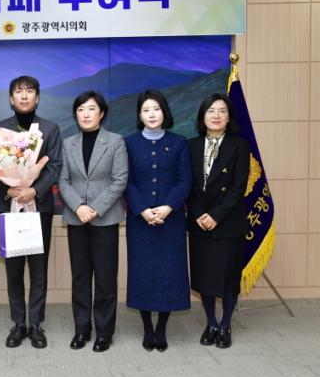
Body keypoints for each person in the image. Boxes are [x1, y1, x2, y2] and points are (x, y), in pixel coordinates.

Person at [0, 75, 62, 349]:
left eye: (29, 91)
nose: (24, 96)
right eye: (18, 91)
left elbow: (54, 166)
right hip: (10, 207)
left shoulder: (50, 128)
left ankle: (35, 324)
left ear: (37, 97)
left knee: (38, 269)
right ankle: (18, 323)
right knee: (13, 269)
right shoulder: (0, 129)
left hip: (39, 207)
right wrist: (9, 190)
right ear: (11, 99)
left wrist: (35, 190)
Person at [58, 91, 128, 352]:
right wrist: (78, 206)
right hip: (76, 219)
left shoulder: (115, 141)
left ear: (102, 113)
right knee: (80, 277)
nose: (86, 114)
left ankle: (104, 332)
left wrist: (95, 209)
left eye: (91, 109)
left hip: (105, 219)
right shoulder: (68, 143)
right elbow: (63, 180)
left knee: (106, 278)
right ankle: (82, 329)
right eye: (80, 110)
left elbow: (119, 180)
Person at [124, 89, 191, 352]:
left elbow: (184, 180)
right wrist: (142, 209)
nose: (151, 114)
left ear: (164, 112)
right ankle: (147, 327)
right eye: (146, 110)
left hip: (171, 221)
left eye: (156, 109)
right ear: (139, 115)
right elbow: (127, 181)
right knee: (142, 273)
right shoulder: (129, 143)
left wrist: (168, 207)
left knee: (168, 273)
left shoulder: (179, 143)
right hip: (140, 221)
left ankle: (161, 327)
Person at [187, 94, 250, 349]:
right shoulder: (191, 145)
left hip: (228, 222)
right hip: (199, 222)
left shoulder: (240, 146)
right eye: (211, 111)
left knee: (227, 278)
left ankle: (225, 325)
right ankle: (211, 323)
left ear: (229, 117)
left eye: (222, 111)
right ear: (202, 116)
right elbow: (188, 185)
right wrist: (199, 214)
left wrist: (216, 215)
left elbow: (238, 186)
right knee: (205, 277)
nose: (216, 115)